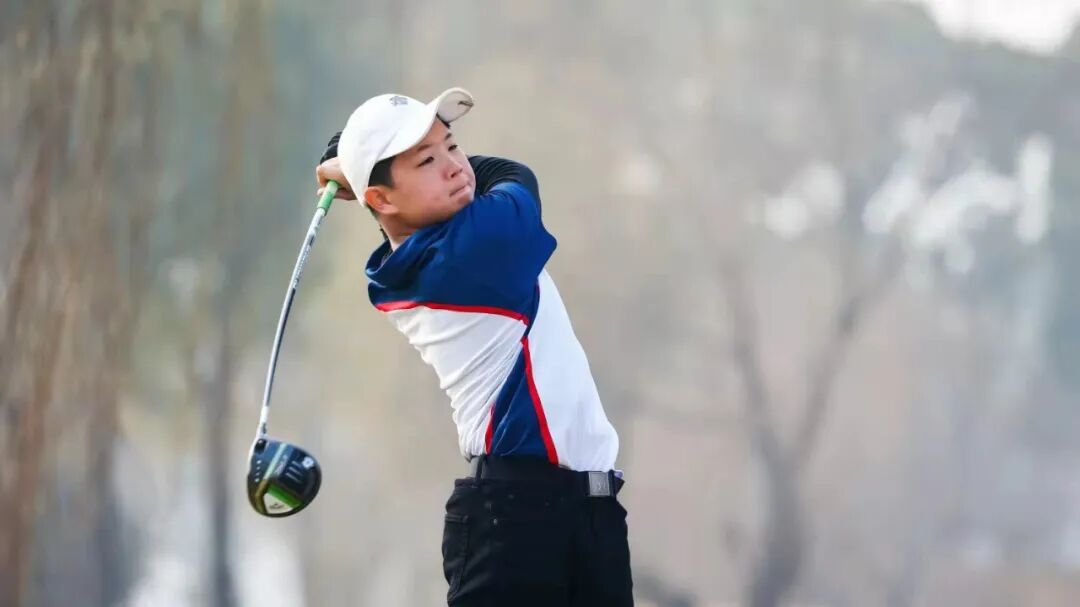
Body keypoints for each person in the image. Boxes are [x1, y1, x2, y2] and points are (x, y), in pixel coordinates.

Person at [316, 87, 633, 606]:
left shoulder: (422, 252)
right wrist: (355, 166)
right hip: (517, 522)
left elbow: (451, 183)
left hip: (583, 515)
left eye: (452, 146)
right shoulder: (473, 251)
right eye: (426, 160)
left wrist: (366, 164)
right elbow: (514, 175)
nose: (455, 167)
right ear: (381, 199)